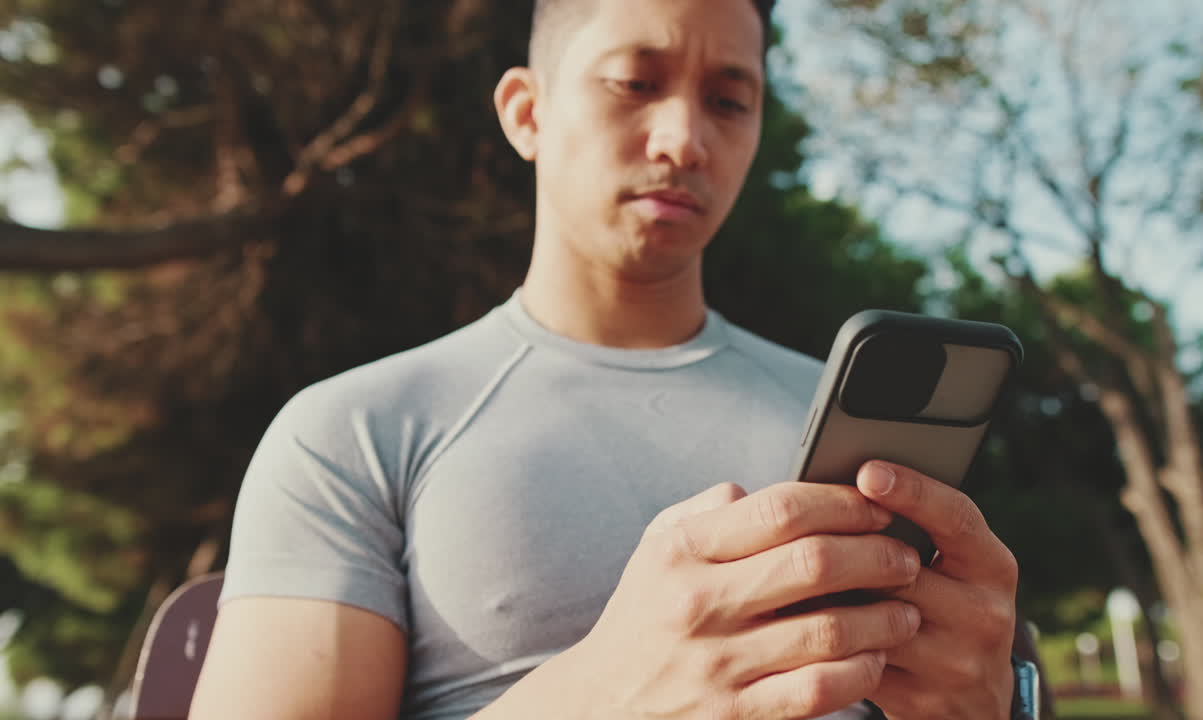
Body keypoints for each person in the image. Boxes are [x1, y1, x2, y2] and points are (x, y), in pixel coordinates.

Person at [189, 0, 1026, 718]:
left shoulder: (856, 435)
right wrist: (602, 692)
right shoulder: (355, 429)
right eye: (635, 83)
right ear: (526, 112)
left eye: (730, 101)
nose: (685, 139)